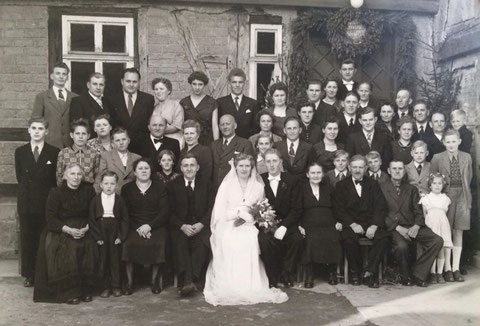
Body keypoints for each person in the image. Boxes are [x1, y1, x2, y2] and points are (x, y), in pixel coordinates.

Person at [204, 153, 288, 306]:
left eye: (247, 166)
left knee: (250, 240)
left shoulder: (258, 186)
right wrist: (237, 213)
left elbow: (261, 209)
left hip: (250, 225)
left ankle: (251, 285)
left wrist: (251, 217)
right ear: (235, 167)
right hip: (228, 223)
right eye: (241, 166)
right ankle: (232, 284)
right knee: (230, 240)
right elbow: (220, 212)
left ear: (252, 168)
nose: (244, 169)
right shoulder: (227, 185)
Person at [33, 164, 97, 304]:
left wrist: (87, 228)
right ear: (65, 176)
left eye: (79, 174)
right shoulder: (56, 192)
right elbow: (50, 218)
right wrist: (68, 230)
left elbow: (94, 213)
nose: (76, 177)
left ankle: (85, 290)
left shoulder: (89, 191)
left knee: (90, 244)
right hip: (62, 227)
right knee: (68, 247)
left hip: (85, 226)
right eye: (72, 174)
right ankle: (69, 292)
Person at [380, 161, 443, 287]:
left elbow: (418, 211)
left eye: (400, 169)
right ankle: (406, 275)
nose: (397, 171)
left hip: (412, 226)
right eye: (394, 169)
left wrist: (416, 226)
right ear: (389, 170)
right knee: (402, 246)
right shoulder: (381, 188)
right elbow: (380, 213)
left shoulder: (411, 189)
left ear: (404, 171)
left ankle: (418, 273)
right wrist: (397, 227)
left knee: (437, 240)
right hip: (394, 228)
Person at [15, 118, 60, 287]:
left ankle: (45, 273)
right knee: (28, 239)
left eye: (40, 128)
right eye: (33, 128)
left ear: (46, 131)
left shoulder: (54, 152)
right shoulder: (20, 152)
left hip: (45, 203)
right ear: (28, 130)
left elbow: (54, 180)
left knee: (45, 239)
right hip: (26, 203)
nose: (36, 131)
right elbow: (20, 176)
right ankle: (30, 275)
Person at [333, 155, 389, 288]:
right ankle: (355, 273)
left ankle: (370, 272)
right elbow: (338, 209)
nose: (357, 170)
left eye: (360, 167)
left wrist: (374, 225)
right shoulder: (341, 185)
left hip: (370, 223)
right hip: (351, 224)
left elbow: (380, 206)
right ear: (349, 168)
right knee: (348, 240)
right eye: (354, 167)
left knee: (383, 238)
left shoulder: (373, 184)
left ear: (365, 168)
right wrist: (352, 224)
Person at [121, 158, 170, 295]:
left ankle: (154, 281)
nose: (144, 171)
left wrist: (149, 226)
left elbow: (164, 211)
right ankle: (129, 283)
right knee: (128, 243)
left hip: (155, 224)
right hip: (134, 225)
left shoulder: (160, 187)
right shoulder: (127, 189)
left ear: (151, 170)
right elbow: (125, 212)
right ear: (135, 172)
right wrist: (140, 228)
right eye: (140, 168)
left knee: (159, 242)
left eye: (146, 168)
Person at [431, 129, 472, 282]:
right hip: (445, 196)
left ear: (459, 141)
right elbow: (433, 180)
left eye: (454, 141)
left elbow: (469, 178)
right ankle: (446, 268)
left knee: (458, 231)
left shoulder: (467, 157)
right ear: (443, 143)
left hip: (462, 195)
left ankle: (456, 268)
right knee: (445, 232)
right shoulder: (437, 158)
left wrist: (467, 199)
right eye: (448, 142)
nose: (451, 144)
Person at [167, 154, 212, 296]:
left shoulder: (207, 184)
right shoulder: (172, 185)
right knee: (180, 243)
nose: (189, 168)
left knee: (201, 242)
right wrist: (182, 226)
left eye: (192, 165)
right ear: (180, 168)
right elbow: (168, 211)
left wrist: (201, 224)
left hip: (201, 225)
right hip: (180, 226)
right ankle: (189, 281)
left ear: (197, 167)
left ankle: (189, 281)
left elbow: (213, 208)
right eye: (185, 165)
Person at [259, 149, 304, 288]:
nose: (271, 165)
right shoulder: (259, 180)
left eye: (274, 161)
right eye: (268, 161)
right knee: (265, 241)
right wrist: (267, 223)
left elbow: (297, 208)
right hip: (267, 224)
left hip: (288, 223)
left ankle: (287, 274)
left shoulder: (291, 180)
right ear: (264, 163)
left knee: (296, 239)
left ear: (280, 162)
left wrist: (284, 226)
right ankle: (272, 277)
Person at [298, 162, 342, 288]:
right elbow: (297, 209)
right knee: (310, 239)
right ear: (307, 174)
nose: (316, 175)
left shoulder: (328, 187)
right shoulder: (302, 188)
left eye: (318, 173)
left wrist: (339, 221)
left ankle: (332, 271)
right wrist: (299, 225)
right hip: (309, 222)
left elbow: (337, 207)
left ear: (322, 174)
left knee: (332, 237)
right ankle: (309, 274)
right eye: (313, 173)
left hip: (328, 221)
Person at [89, 171, 129, 298]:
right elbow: (92, 220)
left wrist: (121, 236)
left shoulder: (120, 200)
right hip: (101, 229)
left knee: (115, 258)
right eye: (106, 183)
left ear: (116, 185)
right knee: (103, 258)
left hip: (115, 229)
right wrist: (97, 237)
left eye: (112, 183)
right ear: (101, 184)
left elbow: (125, 219)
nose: (109, 186)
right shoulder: (95, 200)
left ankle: (116, 286)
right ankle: (105, 287)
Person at [107, 68, 155, 154]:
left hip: (142, 147)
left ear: (139, 82)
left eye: (134, 82)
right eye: (128, 81)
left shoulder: (148, 99)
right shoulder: (112, 99)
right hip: (119, 146)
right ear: (122, 81)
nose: (131, 85)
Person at [32, 62, 77, 149]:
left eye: (64, 74)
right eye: (58, 73)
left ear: (67, 77)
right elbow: (36, 121)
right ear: (52, 76)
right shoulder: (42, 97)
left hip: (70, 145)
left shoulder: (75, 97)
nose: (61, 76)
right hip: (49, 144)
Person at [419, 173, 453, 284]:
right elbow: (424, 214)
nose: (437, 186)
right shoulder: (426, 198)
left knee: (442, 249)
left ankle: (440, 273)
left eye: (440, 183)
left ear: (443, 185)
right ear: (430, 185)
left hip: (442, 224)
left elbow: (445, 213)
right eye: (434, 183)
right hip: (431, 224)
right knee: (432, 248)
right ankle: (432, 274)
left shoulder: (445, 199)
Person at [211, 114, 255, 189]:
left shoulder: (245, 144)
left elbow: (248, 168)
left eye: (228, 124)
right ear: (219, 127)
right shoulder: (214, 145)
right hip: (216, 188)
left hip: (236, 188)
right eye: (222, 124)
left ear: (235, 125)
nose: (225, 127)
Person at [94, 127, 141, 194]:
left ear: (129, 140)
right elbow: (100, 178)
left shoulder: (137, 158)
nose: (121, 143)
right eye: (117, 140)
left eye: (124, 139)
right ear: (113, 143)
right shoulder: (105, 156)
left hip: (133, 195)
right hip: (113, 195)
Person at [217, 68, 260, 139]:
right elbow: (218, 127)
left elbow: (255, 128)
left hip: (246, 144)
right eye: (234, 82)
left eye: (240, 82)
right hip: (226, 144)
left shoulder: (253, 103)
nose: (237, 85)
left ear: (244, 83)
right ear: (229, 83)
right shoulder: (220, 102)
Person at [346, 107, 392, 171]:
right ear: (360, 121)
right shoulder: (352, 138)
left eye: (370, 119)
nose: (368, 123)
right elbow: (350, 161)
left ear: (375, 119)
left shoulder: (383, 137)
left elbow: (386, 161)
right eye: (365, 120)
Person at [180, 71, 219, 145]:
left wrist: (216, 145)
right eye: (194, 84)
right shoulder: (184, 102)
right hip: (190, 139)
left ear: (204, 85)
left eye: (200, 84)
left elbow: (215, 126)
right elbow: (182, 124)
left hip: (207, 139)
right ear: (190, 84)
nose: (197, 87)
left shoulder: (212, 102)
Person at [56, 118, 99, 186]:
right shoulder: (64, 153)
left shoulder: (94, 153)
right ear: (71, 135)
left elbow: (97, 176)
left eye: (84, 134)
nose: (80, 137)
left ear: (88, 136)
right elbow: (59, 177)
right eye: (77, 133)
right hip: (68, 191)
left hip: (88, 191)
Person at [152, 77, 184, 147]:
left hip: (173, 140)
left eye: (161, 89)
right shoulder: (154, 107)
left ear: (169, 91)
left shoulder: (176, 105)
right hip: (156, 142)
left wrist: (157, 130)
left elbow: (177, 126)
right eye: (156, 89)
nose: (158, 91)